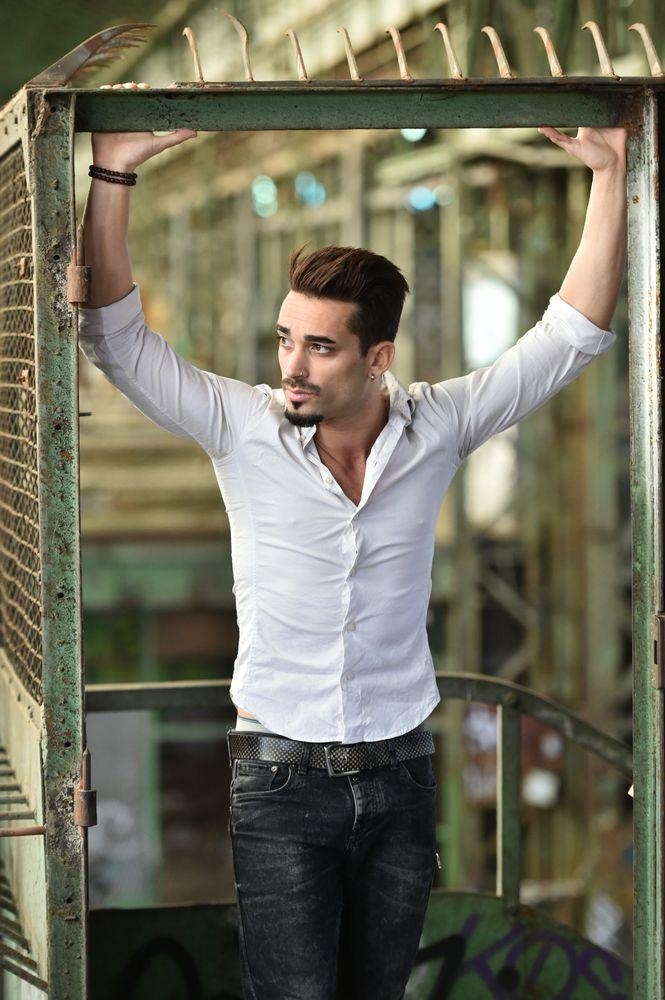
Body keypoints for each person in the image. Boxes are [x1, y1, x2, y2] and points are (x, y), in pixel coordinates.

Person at [79, 101, 626, 1000]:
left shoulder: (437, 427)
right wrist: (113, 172)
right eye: (285, 339)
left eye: (320, 348)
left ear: (377, 359)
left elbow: (569, 338)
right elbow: (116, 340)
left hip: (402, 776)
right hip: (280, 784)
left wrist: (607, 175)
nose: (291, 365)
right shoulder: (242, 428)